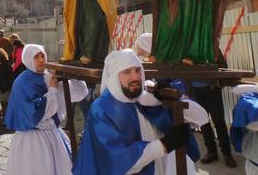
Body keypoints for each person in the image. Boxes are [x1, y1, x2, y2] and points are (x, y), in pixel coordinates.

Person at [73, 49, 209, 175]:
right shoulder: (101, 110)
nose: (135, 77)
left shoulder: (146, 100)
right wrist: (164, 145)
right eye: (127, 72)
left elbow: (202, 117)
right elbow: (118, 161)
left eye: (138, 70)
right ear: (114, 77)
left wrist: (172, 98)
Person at [5, 44, 88, 175]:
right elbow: (33, 113)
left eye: (42, 55)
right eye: (36, 57)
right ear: (28, 59)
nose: (41, 59)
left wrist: (71, 76)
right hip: (33, 138)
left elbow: (77, 94)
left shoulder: (49, 75)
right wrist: (52, 91)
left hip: (53, 133)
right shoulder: (22, 82)